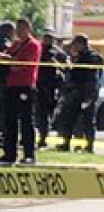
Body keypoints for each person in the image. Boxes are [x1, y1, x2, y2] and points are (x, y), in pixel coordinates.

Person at [53, 34, 104, 153]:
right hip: (76, 92)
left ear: (82, 44)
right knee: (69, 119)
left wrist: (90, 96)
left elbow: (92, 77)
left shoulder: (92, 58)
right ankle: (65, 144)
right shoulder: (79, 57)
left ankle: (89, 147)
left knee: (87, 121)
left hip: (86, 93)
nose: (74, 47)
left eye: (76, 44)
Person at [0, 18, 41, 165]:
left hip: (25, 86)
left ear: (28, 29)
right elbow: (8, 56)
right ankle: (9, 154)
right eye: (17, 28)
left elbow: (20, 64)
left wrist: (8, 60)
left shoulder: (33, 45)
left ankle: (29, 154)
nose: (19, 31)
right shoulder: (16, 43)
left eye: (22, 28)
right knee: (9, 121)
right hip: (12, 86)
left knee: (26, 121)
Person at [35, 32, 67, 150]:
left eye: (50, 38)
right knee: (39, 115)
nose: (47, 40)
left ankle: (50, 138)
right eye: (46, 38)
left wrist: (56, 65)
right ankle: (40, 138)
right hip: (39, 86)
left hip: (53, 87)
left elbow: (67, 67)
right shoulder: (38, 50)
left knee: (51, 115)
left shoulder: (58, 53)